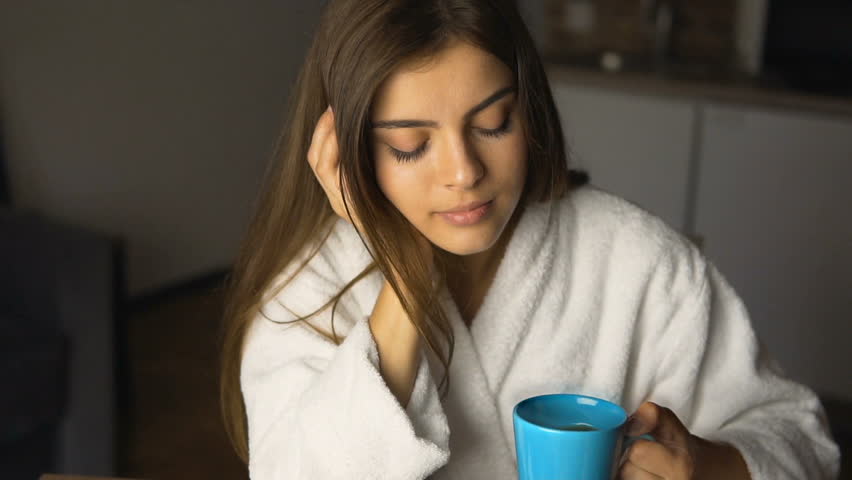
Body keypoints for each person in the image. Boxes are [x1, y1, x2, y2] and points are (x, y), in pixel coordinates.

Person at [219, 0, 841, 478]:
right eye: (411, 146)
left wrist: (712, 466)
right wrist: (404, 281)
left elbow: (801, 435)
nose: (463, 173)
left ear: (529, 108)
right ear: (348, 149)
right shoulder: (310, 290)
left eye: (493, 123)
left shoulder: (634, 259)